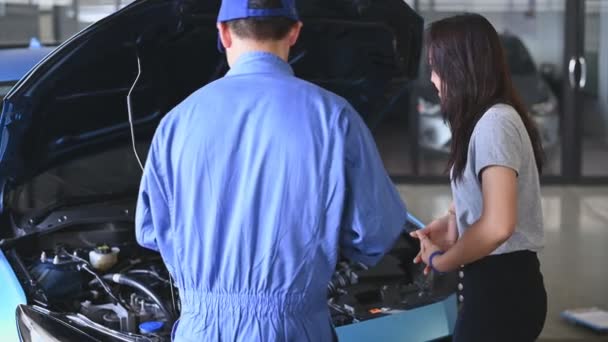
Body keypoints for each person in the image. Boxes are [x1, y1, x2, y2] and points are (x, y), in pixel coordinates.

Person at [134, 0, 408, 340]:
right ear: (294, 32)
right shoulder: (334, 118)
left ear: (223, 32)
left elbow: (150, 232)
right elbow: (372, 234)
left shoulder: (176, 123)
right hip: (293, 329)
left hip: (201, 329)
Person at [411, 13, 548, 342]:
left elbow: (498, 226)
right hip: (497, 288)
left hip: (502, 294)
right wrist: (454, 218)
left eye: (436, 67)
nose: (432, 79)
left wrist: (442, 261)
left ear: (460, 67)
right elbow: (491, 198)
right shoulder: (488, 120)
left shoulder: (494, 124)